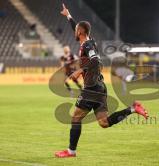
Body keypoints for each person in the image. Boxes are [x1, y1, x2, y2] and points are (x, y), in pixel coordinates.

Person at [55, 4, 149, 158]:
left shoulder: (88, 44)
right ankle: (132, 109)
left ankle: (71, 151)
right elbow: (78, 29)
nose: (75, 31)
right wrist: (68, 15)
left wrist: (80, 70)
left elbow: (96, 60)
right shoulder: (87, 41)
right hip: (99, 87)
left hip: (91, 88)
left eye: (76, 30)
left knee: (76, 117)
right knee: (104, 123)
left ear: (80, 32)